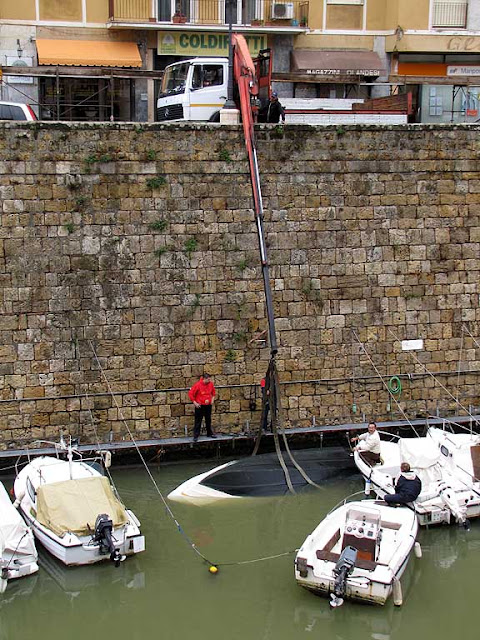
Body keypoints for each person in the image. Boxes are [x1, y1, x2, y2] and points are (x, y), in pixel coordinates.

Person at [188, 372, 216, 443]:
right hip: (200, 405)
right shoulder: (197, 385)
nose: (209, 381)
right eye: (208, 380)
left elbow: (213, 393)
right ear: (204, 379)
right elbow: (191, 394)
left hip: (208, 405)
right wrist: (195, 403)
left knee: (208, 420)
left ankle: (209, 433)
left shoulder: (211, 384)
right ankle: (196, 435)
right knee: (198, 421)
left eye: (210, 379)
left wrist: (212, 400)